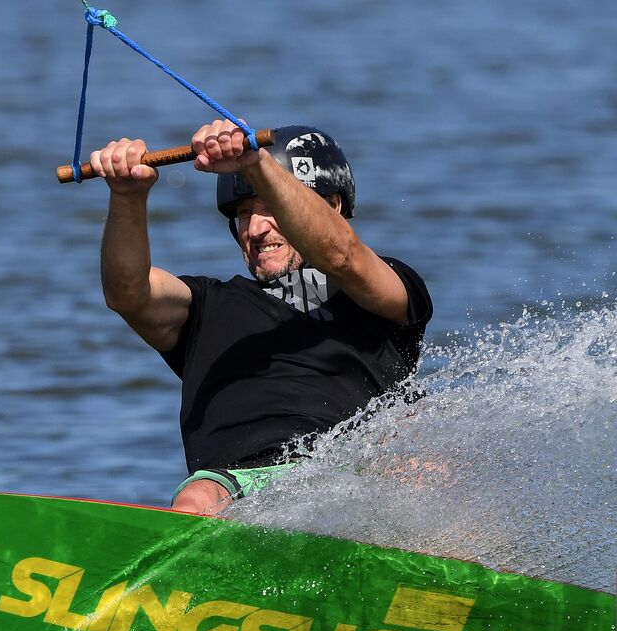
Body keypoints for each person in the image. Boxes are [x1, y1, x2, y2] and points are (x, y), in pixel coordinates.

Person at [91, 120, 432, 514]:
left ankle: (452, 571)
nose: (254, 228)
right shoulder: (207, 306)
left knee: (420, 464)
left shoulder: (379, 285)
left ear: (333, 206)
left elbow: (342, 256)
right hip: (242, 491)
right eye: (244, 213)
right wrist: (127, 195)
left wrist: (255, 165)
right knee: (196, 499)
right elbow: (127, 293)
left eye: (270, 208)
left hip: (360, 476)